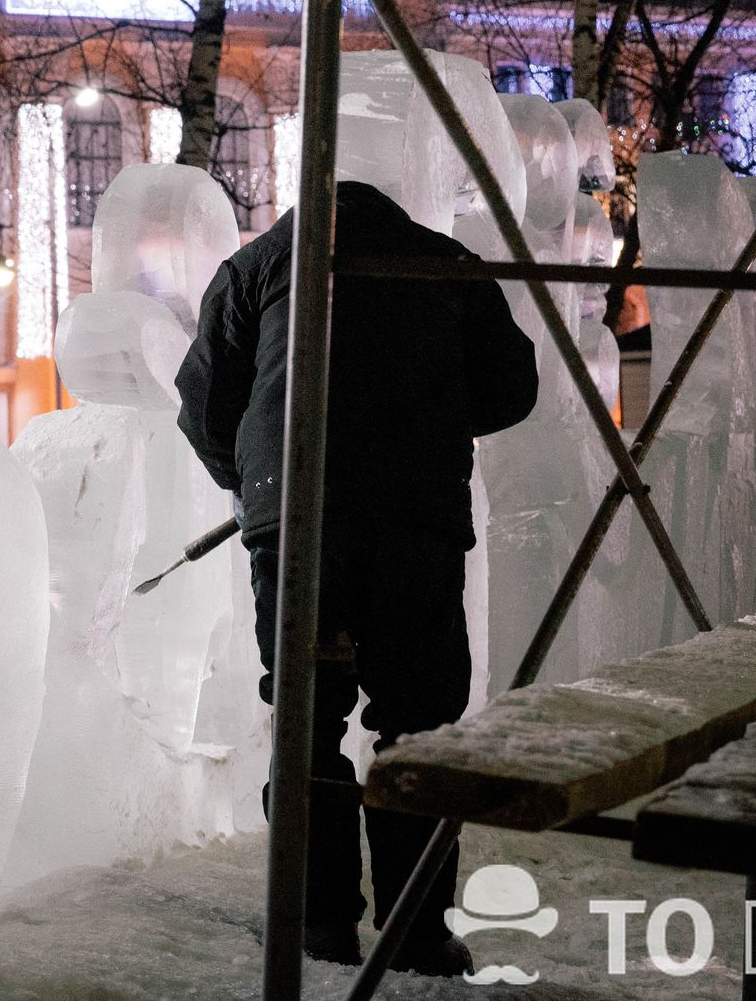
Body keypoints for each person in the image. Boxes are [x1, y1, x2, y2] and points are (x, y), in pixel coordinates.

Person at [175, 178, 537, 974]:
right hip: (415, 517)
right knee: (419, 721)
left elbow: (204, 401)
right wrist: (429, 409)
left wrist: (249, 478)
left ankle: (318, 921)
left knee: (308, 717)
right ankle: (416, 927)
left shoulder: (258, 265)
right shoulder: (444, 262)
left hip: (297, 514)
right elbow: (514, 386)